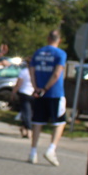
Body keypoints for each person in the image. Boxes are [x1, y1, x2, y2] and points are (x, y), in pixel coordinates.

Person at [28, 29, 67, 166]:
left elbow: (31, 71)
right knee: (59, 123)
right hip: (55, 93)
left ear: (48, 38)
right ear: (59, 40)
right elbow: (56, 74)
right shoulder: (60, 54)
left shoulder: (38, 52)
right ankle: (51, 149)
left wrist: (36, 88)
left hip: (39, 92)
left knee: (38, 122)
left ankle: (33, 152)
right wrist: (46, 88)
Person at [12, 61, 34, 138]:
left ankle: (28, 129)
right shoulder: (36, 71)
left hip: (24, 93)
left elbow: (18, 84)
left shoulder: (24, 71)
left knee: (26, 112)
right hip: (33, 93)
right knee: (29, 112)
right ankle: (26, 129)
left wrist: (13, 92)